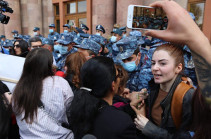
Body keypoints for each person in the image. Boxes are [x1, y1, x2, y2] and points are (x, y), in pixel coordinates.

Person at [144, 1, 211, 105]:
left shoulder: (197, 53)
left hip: (188, 101)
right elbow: (148, 76)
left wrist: (189, 92)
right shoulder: (160, 49)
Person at [67, 56, 143, 139]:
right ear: (113, 85)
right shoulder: (122, 123)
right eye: (118, 75)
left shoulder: (75, 109)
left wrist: (129, 107)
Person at [134, 44, 195, 139]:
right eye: (153, 63)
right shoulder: (153, 88)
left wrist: (151, 130)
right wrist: (139, 99)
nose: (154, 68)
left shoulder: (187, 96)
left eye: (162, 63)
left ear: (178, 68)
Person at [12, 48, 74, 138]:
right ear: (49, 65)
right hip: (60, 136)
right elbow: (69, 107)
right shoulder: (60, 83)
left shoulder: (18, 88)